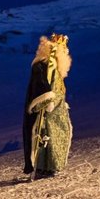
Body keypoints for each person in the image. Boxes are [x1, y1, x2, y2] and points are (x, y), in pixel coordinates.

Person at [23, 34, 73, 178]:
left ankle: (51, 166)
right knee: (43, 136)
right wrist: (46, 100)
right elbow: (40, 86)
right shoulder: (42, 65)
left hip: (58, 111)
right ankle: (41, 167)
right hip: (47, 110)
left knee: (57, 136)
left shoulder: (55, 67)